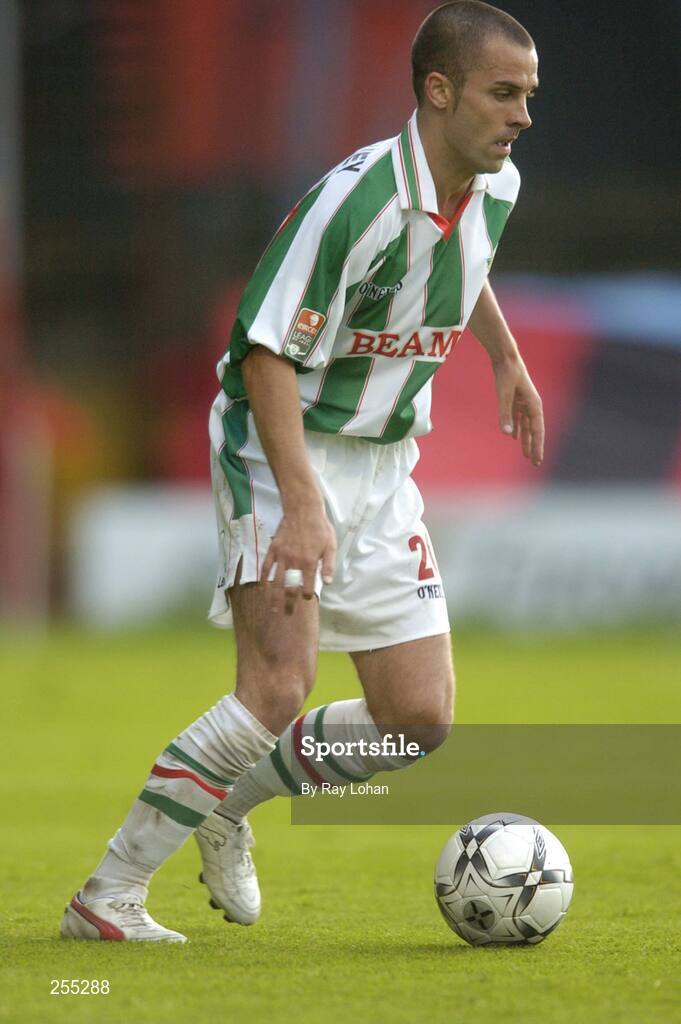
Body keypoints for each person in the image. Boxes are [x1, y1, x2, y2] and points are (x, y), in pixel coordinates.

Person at [61, 0, 542, 943]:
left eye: (528, 94)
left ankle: (228, 806)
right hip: (278, 449)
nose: (522, 114)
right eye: (503, 93)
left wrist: (506, 357)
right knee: (273, 688)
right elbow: (263, 354)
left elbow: (461, 260)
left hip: (382, 461)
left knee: (415, 721)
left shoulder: (496, 182)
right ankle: (106, 898)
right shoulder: (352, 202)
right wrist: (300, 507)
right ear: (438, 91)